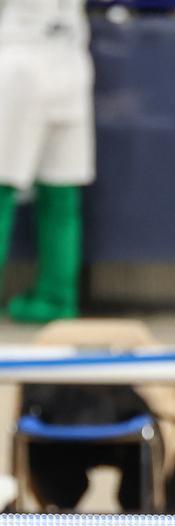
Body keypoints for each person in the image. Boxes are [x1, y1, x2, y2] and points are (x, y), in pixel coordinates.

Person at [0, 0, 93, 322]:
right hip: (71, 59)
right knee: (61, 194)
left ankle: (56, 299)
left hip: (21, 58)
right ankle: (58, 300)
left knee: (5, 189)